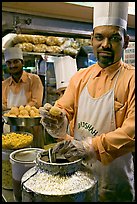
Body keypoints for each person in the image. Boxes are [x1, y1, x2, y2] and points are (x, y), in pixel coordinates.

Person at [40, 2, 135, 202]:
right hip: (78, 177)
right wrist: (57, 122)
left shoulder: (132, 79)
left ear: (126, 41)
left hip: (114, 182)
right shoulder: (80, 77)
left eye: (114, 38)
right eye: (99, 37)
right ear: (91, 39)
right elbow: (64, 107)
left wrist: (90, 147)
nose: (105, 45)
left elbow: (131, 130)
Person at [2, 47, 44, 137]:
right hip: (10, 128)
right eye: (9, 63)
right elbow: (4, 106)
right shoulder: (4, 84)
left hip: (30, 127)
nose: (12, 65)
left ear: (22, 62)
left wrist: (18, 112)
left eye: (16, 61)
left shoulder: (34, 79)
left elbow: (37, 103)